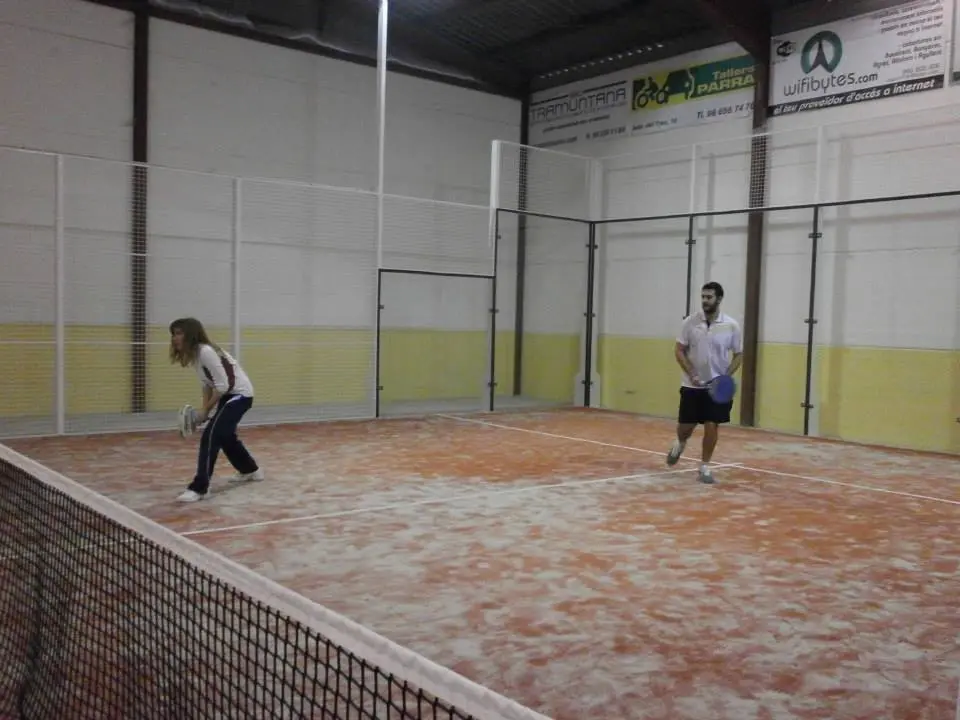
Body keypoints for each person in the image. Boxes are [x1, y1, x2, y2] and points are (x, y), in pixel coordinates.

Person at [169, 317, 263, 502]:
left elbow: (223, 385)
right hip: (228, 394)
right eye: (173, 334)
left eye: (179, 333)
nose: (174, 338)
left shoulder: (205, 352)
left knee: (211, 435)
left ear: (191, 334)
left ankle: (200, 488)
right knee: (225, 436)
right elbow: (207, 384)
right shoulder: (195, 355)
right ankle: (250, 470)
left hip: (240, 395)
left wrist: (205, 411)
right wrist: (205, 409)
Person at [666, 282, 743, 484]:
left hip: (716, 388)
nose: (705, 301)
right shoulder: (690, 323)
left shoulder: (731, 325)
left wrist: (725, 376)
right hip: (692, 386)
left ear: (719, 299)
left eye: (709, 297)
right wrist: (691, 373)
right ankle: (680, 443)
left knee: (712, 425)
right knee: (685, 428)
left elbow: (738, 354)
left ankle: (705, 466)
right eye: (703, 297)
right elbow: (679, 350)